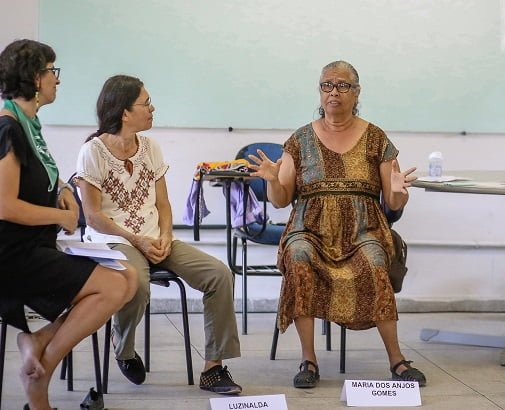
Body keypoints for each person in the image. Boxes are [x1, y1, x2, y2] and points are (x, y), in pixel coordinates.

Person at [248, 60, 426, 388]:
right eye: (327, 85)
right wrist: (273, 180)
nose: (334, 92)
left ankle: (397, 360)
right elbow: (281, 200)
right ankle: (308, 361)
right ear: (319, 91)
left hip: (363, 232)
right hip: (309, 231)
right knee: (298, 256)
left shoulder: (376, 138)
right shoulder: (300, 139)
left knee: (375, 263)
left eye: (343, 85)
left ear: (356, 93)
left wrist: (399, 192)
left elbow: (393, 202)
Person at [74, 75, 243, 395]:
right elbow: (93, 216)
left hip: (155, 239)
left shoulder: (151, 148)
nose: (152, 109)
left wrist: (166, 235)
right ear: (125, 112)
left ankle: (213, 368)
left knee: (219, 274)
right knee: (136, 282)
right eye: (146, 103)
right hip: (115, 240)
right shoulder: (92, 152)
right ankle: (124, 349)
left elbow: (163, 204)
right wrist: (137, 240)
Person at [0, 39, 136, 409]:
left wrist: (61, 187)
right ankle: (40, 376)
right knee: (112, 286)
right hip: (14, 256)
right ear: (34, 78)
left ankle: (40, 341)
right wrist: (61, 216)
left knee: (127, 278)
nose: (56, 80)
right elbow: (6, 206)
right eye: (51, 72)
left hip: (37, 246)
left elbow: (36, 172)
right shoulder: (9, 129)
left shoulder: (28, 124)